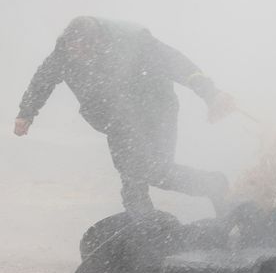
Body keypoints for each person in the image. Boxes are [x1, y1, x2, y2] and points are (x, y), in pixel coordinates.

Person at [14, 16, 237, 217]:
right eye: (73, 48)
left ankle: (213, 185)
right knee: (130, 174)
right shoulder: (65, 50)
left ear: (98, 41)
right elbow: (44, 78)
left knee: (155, 171)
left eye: (83, 49)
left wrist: (210, 93)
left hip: (155, 110)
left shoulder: (133, 41)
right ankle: (143, 225)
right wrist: (26, 113)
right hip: (116, 116)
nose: (78, 55)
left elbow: (175, 62)